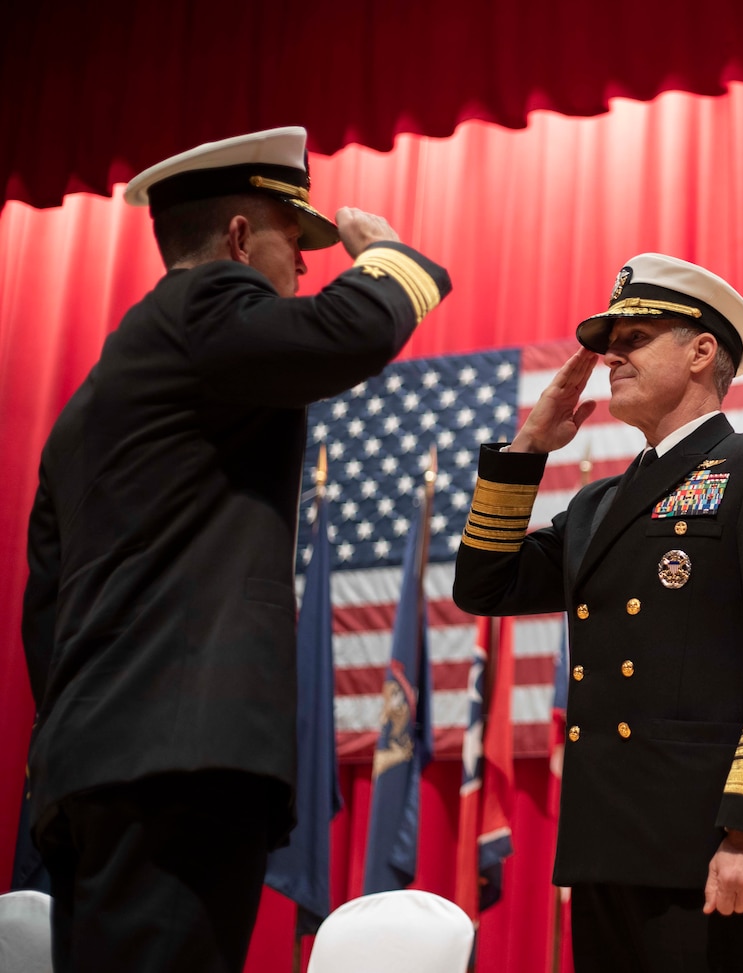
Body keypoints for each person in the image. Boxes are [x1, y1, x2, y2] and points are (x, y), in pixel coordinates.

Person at [20, 126, 451, 973]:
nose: (306, 270)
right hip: (179, 759)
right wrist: (393, 257)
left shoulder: (88, 405)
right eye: (297, 244)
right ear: (240, 240)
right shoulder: (201, 309)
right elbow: (346, 331)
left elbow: (46, 611)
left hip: (99, 762)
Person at [453, 253, 743, 973]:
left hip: (710, 848)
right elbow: (485, 586)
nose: (611, 355)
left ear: (700, 351)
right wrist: (526, 449)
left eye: (635, 337)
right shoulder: (601, 502)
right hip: (607, 847)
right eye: (609, 341)